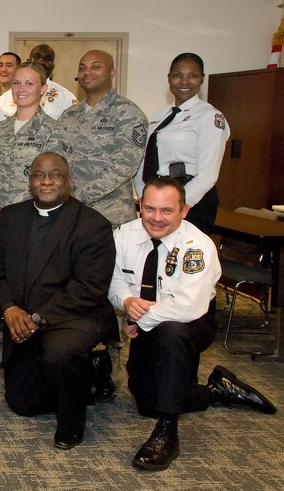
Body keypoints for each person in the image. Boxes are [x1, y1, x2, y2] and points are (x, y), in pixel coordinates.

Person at [110, 177, 276, 470]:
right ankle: (217, 389)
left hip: (191, 325)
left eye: (166, 211)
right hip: (147, 322)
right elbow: (113, 280)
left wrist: (139, 318)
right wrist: (126, 303)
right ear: (140, 206)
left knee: (173, 333)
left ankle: (166, 434)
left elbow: (188, 307)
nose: (156, 218)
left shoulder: (197, 246)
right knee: (147, 401)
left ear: (183, 210)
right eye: (149, 209)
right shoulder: (124, 235)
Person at [0, 152, 118, 450]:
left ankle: (72, 420)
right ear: (29, 181)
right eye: (38, 175)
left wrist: (37, 318)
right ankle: (90, 374)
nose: (46, 181)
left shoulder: (93, 225)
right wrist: (8, 309)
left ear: (69, 180)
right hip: (22, 315)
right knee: (23, 403)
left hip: (74, 315)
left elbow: (88, 288)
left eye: (55, 174)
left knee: (59, 353)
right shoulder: (12, 217)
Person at [0, 62, 59, 363]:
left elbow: (52, 183)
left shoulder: (53, 131)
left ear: (43, 90)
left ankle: (28, 339)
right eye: (17, 84)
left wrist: (20, 216)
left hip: (36, 223)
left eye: (29, 84)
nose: (21, 89)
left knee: (30, 282)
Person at [49, 50, 148, 227]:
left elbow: (125, 166)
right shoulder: (69, 115)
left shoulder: (128, 113)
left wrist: (77, 196)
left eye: (96, 67)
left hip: (111, 216)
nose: (87, 72)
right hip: (70, 215)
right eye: (82, 68)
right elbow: (58, 158)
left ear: (112, 73)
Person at [134, 53, 229, 235]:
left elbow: (208, 175)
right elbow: (141, 164)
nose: (184, 82)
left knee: (184, 258)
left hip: (192, 202)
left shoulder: (210, 117)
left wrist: (177, 206)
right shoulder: (156, 117)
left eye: (192, 76)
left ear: (201, 79)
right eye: (177, 75)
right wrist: (145, 199)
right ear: (169, 78)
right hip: (157, 200)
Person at [0, 45, 75, 120]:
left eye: (47, 59)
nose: (41, 61)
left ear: (53, 66)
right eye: (37, 57)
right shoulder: (5, 98)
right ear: (28, 61)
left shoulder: (66, 98)